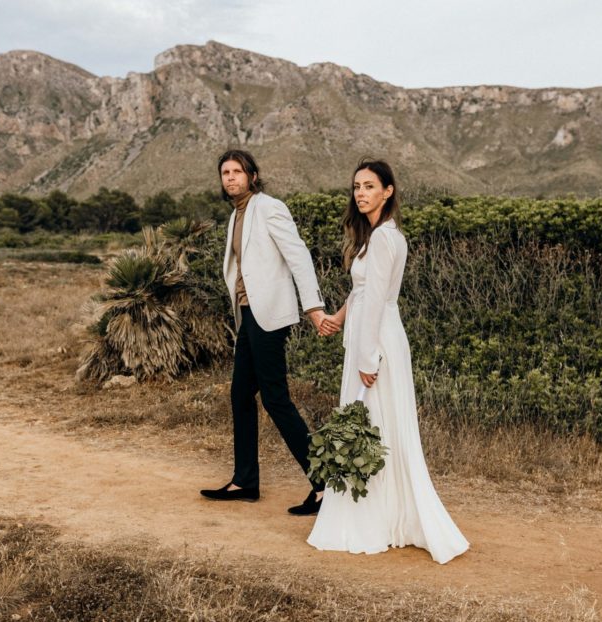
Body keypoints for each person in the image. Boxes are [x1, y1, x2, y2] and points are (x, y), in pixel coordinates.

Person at [307, 159, 469, 563]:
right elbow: (363, 291)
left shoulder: (384, 239)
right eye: (357, 186)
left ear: (388, 191)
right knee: (374, 427)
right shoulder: (377, 236)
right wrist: (337, 319)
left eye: (369, 186)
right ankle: (387, 513)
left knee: (372, 429)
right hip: (369, 333)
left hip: (376, 340)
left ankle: (375, 518)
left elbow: (378, 300)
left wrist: (366, 356)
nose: (361, 193)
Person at [200, 149, 326, 515]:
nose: (230, 178)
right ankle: (245, 481)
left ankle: (322, 484)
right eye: (225, 172)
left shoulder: (269, 207)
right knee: (241, 394)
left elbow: (298, 255)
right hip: (247, 315)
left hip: (268, 315)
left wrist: (313, 307)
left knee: (275, 398)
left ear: (253, 176)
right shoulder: (236, 215)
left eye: (237, 171)